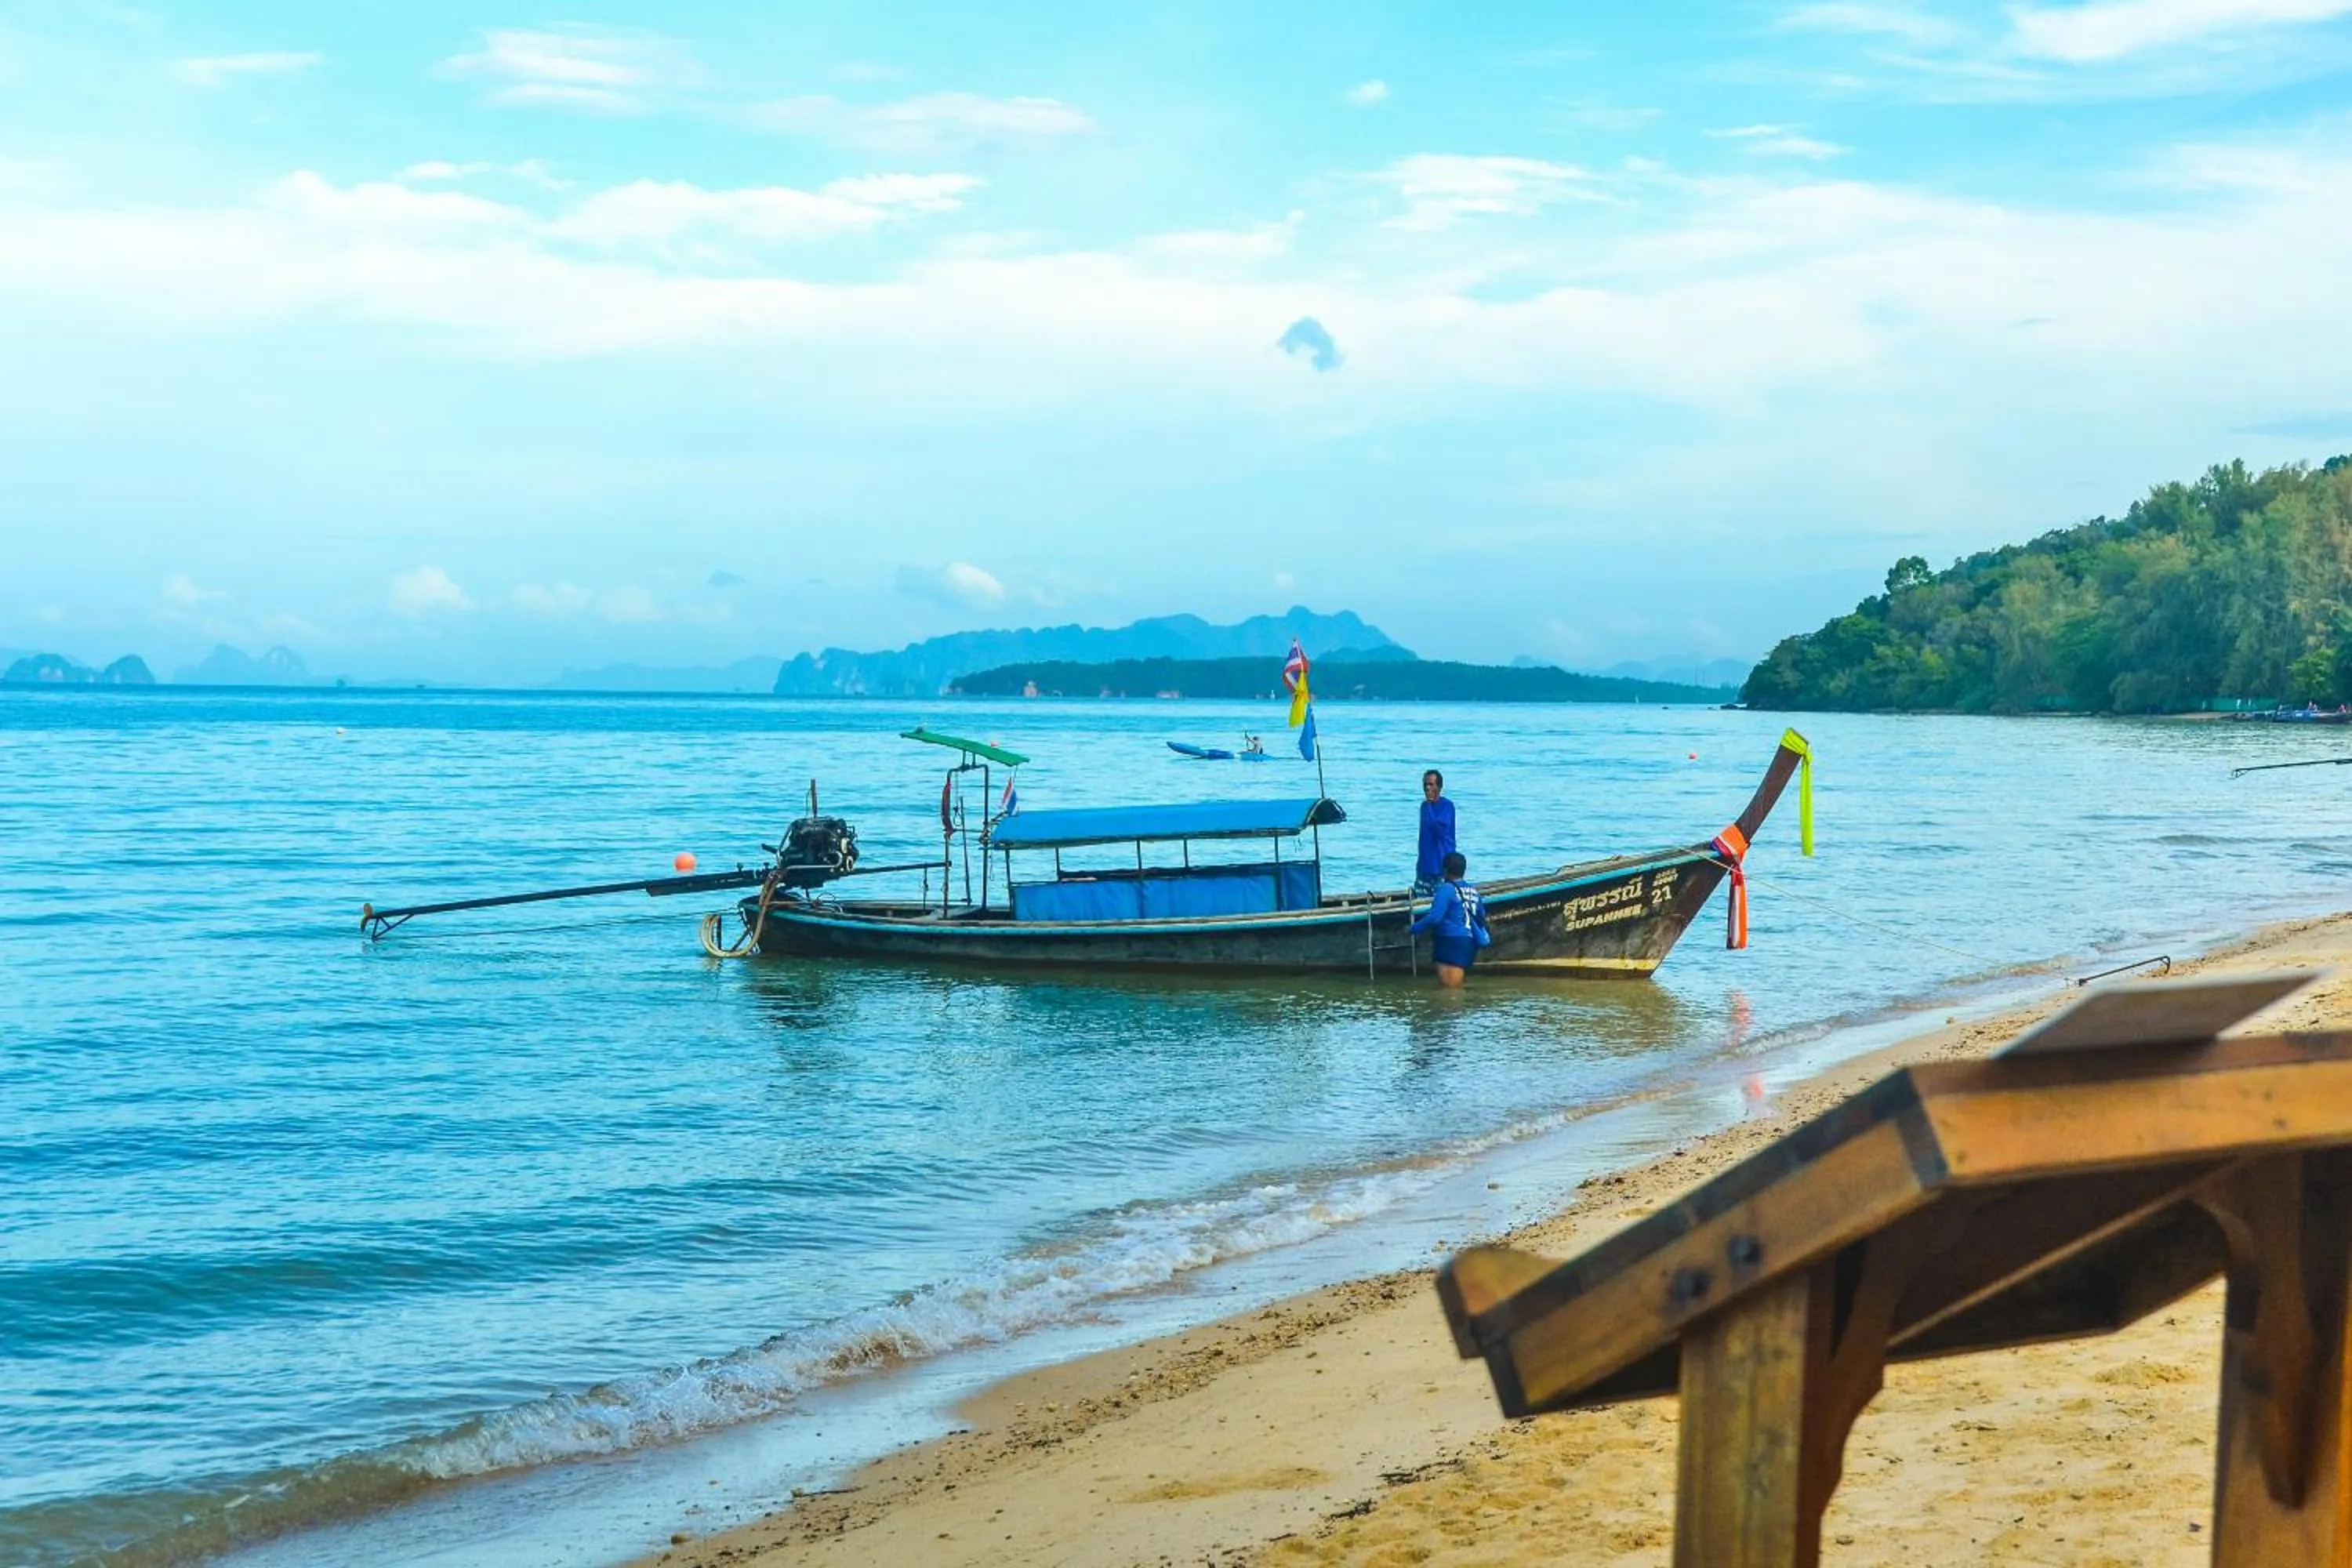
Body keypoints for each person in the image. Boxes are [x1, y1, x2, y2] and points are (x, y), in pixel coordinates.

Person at [1410, 851, 1490, 986]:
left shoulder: (1447, 889)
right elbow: (1481, 917)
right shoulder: (1474, 891)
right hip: (1469, 942)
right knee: (1455, 986)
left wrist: (1414, 928)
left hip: (1450, 941)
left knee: (1450, 992)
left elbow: (1435, 918)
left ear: (1445, 870)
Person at [1413, 769, 1456, 895]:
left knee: (1440, 907)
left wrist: (1430, 804)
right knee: (1420, 905)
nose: (1427, 788)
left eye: (1431, 784)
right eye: (1425, 784)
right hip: (1424, 870)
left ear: (1439, 787)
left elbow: (1438, 829)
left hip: (1442, 871)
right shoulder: (1424, 807)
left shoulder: (1447, 807)